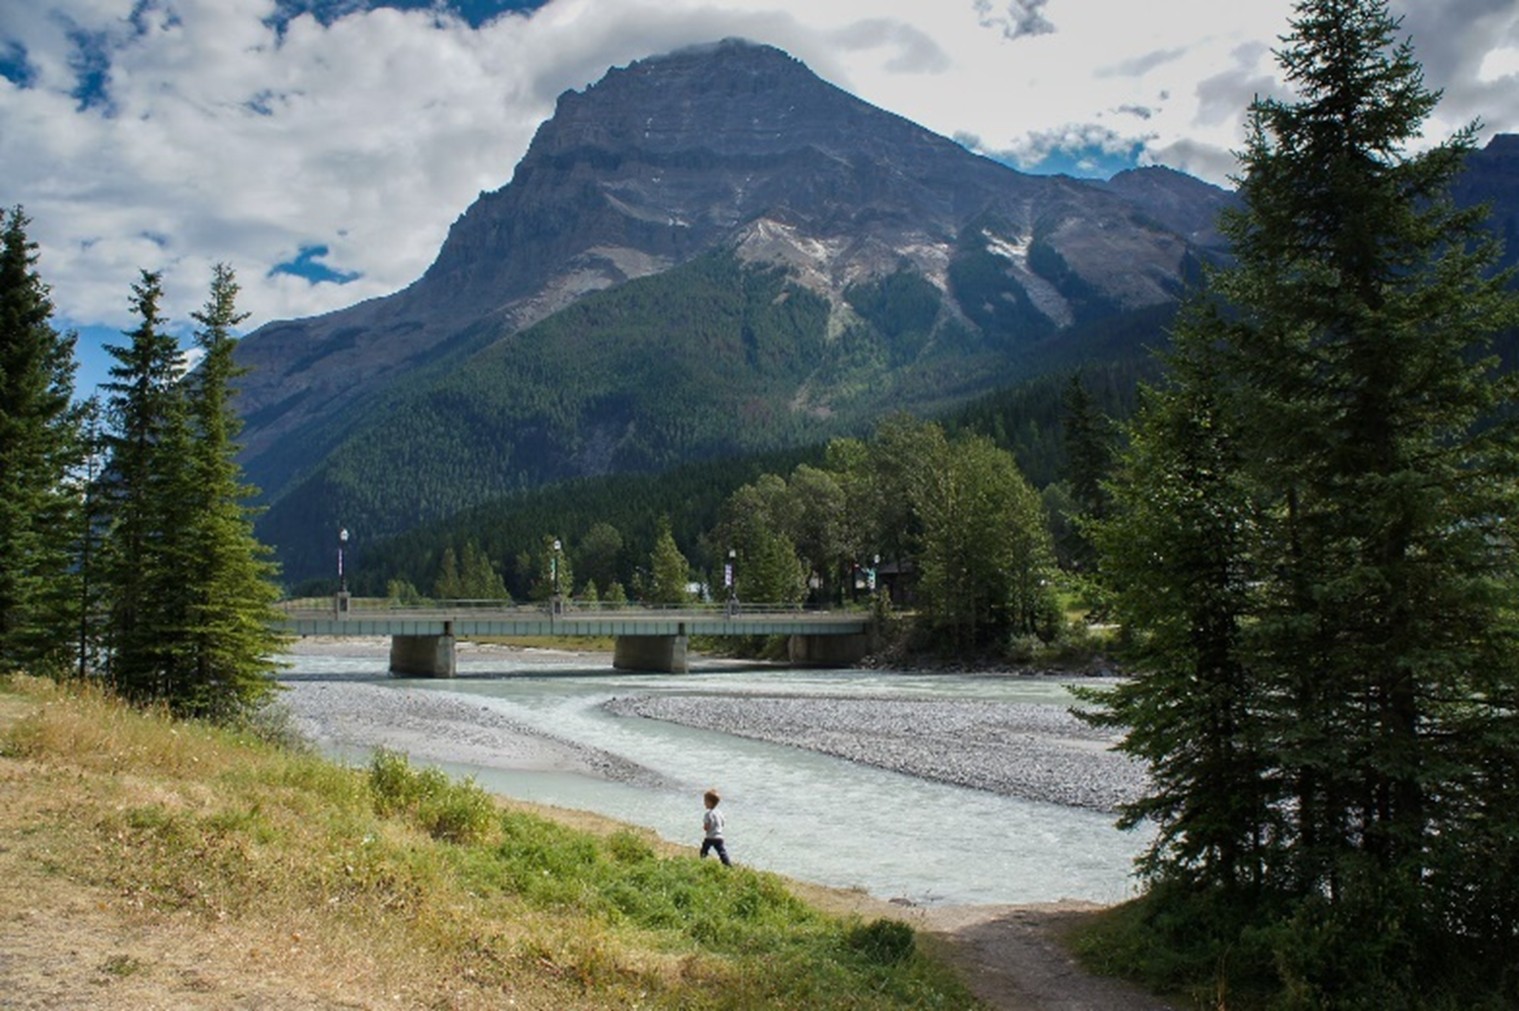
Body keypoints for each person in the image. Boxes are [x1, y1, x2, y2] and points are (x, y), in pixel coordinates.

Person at [700, 788, 731, 866]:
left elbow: (707, 826)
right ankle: (727, 864)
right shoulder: (719, 813)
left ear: (710, 803)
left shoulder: (708, 814)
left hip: (710, 837)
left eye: (705, 801)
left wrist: (705, 828)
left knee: (704, 850)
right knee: (722, 852)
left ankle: (702, 861)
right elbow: (723, 822)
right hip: (719, 836)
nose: (704, 803)